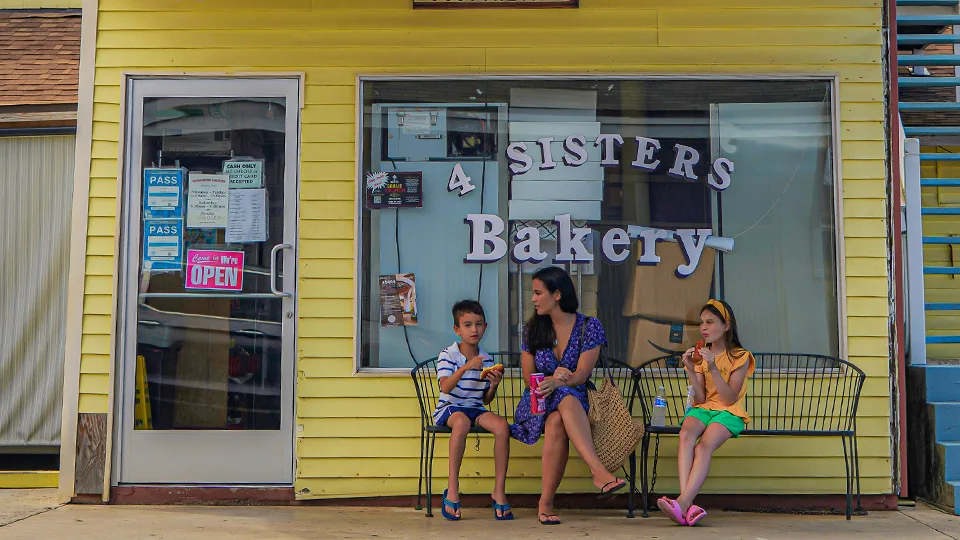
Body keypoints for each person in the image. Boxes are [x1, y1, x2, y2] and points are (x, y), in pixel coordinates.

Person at [511, 266, 627, 526]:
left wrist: (560, 380)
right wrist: (552, 380)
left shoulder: (589, 326)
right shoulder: (532, 330)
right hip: (538, 401)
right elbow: (528, 377)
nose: (533, 299)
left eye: (538, 293)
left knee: (557, 420)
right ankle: (598, 472)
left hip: (575, 400)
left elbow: (582, 375)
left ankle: (545, 503)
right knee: (558, 403)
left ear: (557, 294)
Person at [657, 299, 756, 526]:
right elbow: (700, 398)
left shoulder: (740, 356)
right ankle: (686, 504)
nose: (704, 328)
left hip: (728, 411)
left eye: (710, 322)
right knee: (685, 434)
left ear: (726, 326)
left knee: (703, 447)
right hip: (705, 407)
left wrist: (713, 368)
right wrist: (692, 370)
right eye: (701, 323)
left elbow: (729, 398)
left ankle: (682, 502)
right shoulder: (702, 355)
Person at [433, 300, 513, 521]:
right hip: (450, 408)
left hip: (475, 408)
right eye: (467, 325)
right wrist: (467, 366)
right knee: (462, 422)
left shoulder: (487, 359)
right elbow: (445, 387)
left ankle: (499, 490)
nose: (474, 329)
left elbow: (485, 399)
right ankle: (452, 488)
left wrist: (493, 385)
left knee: (502, 426)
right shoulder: (448, 354)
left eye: (478, 324)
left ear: (485, 326)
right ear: (457, 329)